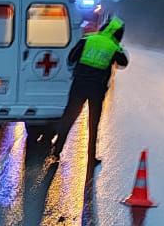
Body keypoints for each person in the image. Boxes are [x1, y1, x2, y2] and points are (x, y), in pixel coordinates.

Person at [49, 15, 128, 169]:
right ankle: (91, 158)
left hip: (78, 85)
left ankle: (56, 150)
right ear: (118, 33)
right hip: (97, 90)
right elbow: (124, 63)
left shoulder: (87, 39)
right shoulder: (113, 47)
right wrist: (119, 47)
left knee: (69, 117)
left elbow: (71, 58)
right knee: (93, 123)